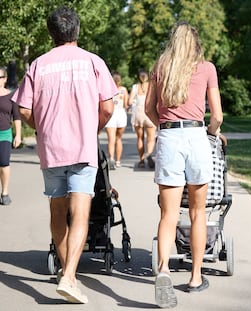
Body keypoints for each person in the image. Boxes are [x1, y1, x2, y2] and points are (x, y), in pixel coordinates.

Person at [12, 6, 116, 304]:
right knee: (81, 212)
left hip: (51, 149)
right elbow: (107, 107)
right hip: (82, 149)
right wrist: (91, 127)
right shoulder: (93, 62)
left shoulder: (38, 65)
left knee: (58, 212)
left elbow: (24, 109)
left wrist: (41, 128)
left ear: (51, 32)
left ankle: (65, 272)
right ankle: (70, 276)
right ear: (77, 31)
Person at [145, 21, 223, 308]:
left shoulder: (160, 67)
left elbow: (148, 109)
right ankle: (195, 276)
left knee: (167, 213)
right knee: (197, 211)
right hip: (196, 136)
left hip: (169, 138)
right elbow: (217, 116)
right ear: (196, 43)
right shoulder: (206, 68)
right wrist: (212, 135)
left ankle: (164, 269)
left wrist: (165, 128)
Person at [0, 66, 21, 205]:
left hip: (5, 134)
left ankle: (4, 192)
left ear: (5, 79)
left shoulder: (12, 95)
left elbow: (17, 117)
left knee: (3, 163)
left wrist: (18, 135)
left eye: (0, 77)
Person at [128, 69, 156, 168]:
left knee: (140, 138)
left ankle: (141, 160)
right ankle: (149, 154)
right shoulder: (151, 87)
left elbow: (129, 102)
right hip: (149, 113)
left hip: (138, 114)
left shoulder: (135, 87)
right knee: (151, 138)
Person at [105, 71, 128, 169]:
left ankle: (111, 158)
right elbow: (126, 104)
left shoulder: (107, 89)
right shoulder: (123, 90)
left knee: (111, 139)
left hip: (111, 113)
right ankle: (118, 161)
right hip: (121, 113)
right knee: (119, 138)